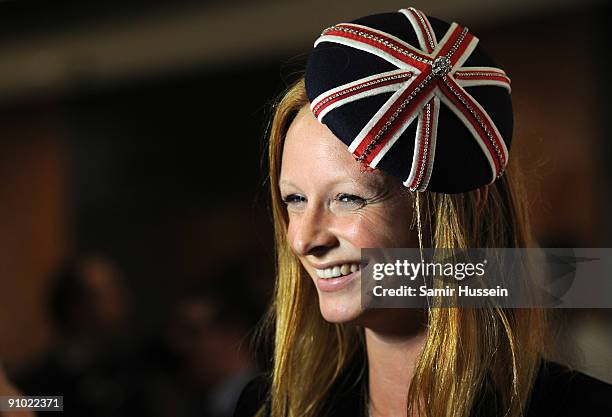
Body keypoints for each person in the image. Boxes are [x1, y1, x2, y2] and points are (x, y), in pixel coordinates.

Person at [234, 7, 612, 417]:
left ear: (460, 210)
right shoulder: (268, 406)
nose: (304, 239)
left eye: (348, 198)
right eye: (295, 200)